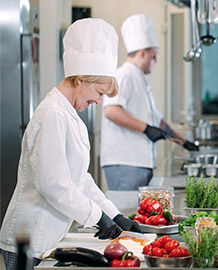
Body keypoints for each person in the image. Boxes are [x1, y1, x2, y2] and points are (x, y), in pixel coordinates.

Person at [0, 18, 143, 270]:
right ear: (80, 79)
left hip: (48, 236)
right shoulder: (53, 114)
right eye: (99, 92)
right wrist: (97, 217)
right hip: (30, 237)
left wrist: (113, 213)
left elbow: (80, 178)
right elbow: (54, 185)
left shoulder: (68, 112)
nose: (99, 101)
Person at [101, 14, 198, 191]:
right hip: (125, 161)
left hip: (138, 161)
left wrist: (185, 142)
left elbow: (159, 123)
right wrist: (146, 129)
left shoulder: (139, 78)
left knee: (137, 214)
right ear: (142, 52)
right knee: (127, 212)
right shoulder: (125, 75)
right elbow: (111, 111)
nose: (156, 61)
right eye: (154, 56)